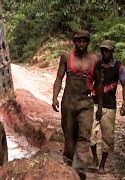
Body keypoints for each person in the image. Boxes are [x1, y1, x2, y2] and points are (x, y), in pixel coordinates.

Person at [52, 29, 102, 166]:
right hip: (68, 104)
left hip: (86, 104)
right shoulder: (66, 57)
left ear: (88, 42)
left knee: (84, 138)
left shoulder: (95, 60)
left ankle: (80, 170)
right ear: (74, 42)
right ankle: (68, 168)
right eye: (78, 40)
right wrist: (54, 97)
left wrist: (100, 106)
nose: (81, 43)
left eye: (84, 40)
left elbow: (98, 84)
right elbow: (58, 78)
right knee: (69, 142)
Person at [90, 40, 125, 173]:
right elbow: (93, 82)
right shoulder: (98, 65)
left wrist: (124, 104)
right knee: (91, 134)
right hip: (95, 104)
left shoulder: (119, 67)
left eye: (107, 50)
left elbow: (124, 84)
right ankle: (94, 158)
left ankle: (102, 165)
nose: (104, 52)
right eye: (102, 50)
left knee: (107, 137)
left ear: (112, 51)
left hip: (110, 106)